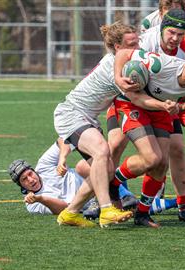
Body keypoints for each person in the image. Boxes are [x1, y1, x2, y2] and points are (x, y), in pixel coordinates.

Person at [112, 48, 185, 228]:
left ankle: (142, 214)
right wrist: (118, 78)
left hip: (160, 111)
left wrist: (181, 108)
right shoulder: (161, 64)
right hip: (132, 104)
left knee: (161, 164)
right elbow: (123, 52)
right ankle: (113, 183)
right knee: (151, 158)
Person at [53, 22, 139, 228]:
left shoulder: (125, 61)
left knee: (106, 169)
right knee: (102, 150)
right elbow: (138, 97)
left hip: (86, 117)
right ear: (117, 47)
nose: (137, 48)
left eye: (138, 42)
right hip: (71, 113)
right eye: (131, 44)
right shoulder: (114, 67)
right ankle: (107, 209)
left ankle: (70, 213)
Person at [8, 139, 96, 227]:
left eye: (30, 174)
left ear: (34, 170)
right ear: (21, 185)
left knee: (82, 166)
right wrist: (41, 199)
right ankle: (100, 199)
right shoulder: (32, 203)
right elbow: (64, 208)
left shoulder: (44, 165)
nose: (30, 180)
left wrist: (62, 159)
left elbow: (62, 140)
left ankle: (103, 194)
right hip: (88, 202)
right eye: (24, 179)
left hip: (91, 178)